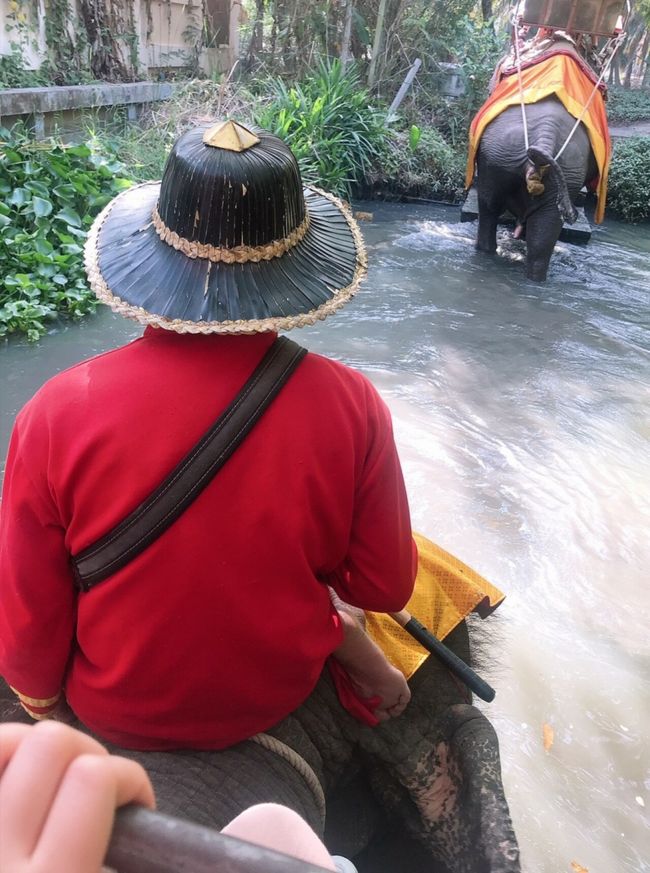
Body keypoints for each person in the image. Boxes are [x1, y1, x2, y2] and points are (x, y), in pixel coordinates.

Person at [0, 119, 416, 748]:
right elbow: (384, 586)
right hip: (274, 696)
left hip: (113, 708)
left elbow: (30, 617)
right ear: (296, 265)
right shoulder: (352, 402)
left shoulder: (55, 411)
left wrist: (45, 706)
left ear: (150, 257)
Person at [0, 720, 343, 872]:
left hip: (119, 715)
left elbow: (31, 656)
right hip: (283, 693)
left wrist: (46, 707)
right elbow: (380, 592)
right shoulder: (275, 827)